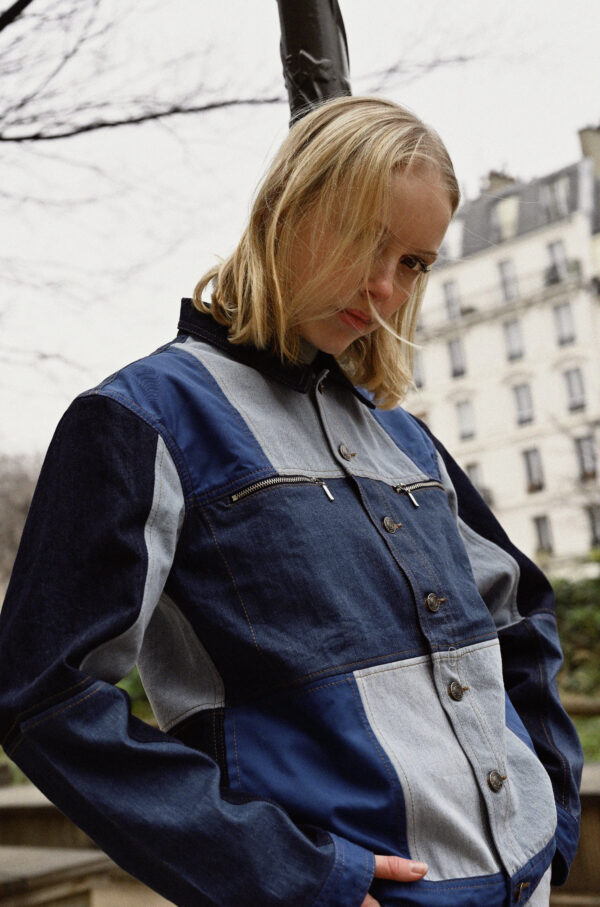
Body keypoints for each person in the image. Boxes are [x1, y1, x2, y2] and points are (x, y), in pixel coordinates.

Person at [0, 96, 582, 907]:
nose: (384, 287)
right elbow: (43, 695)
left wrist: (552, 817)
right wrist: (291, 878)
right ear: (286, 206)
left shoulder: (405, 438)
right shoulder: (142, 418)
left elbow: (518, 619)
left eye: (414, 263)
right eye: (364, 238)